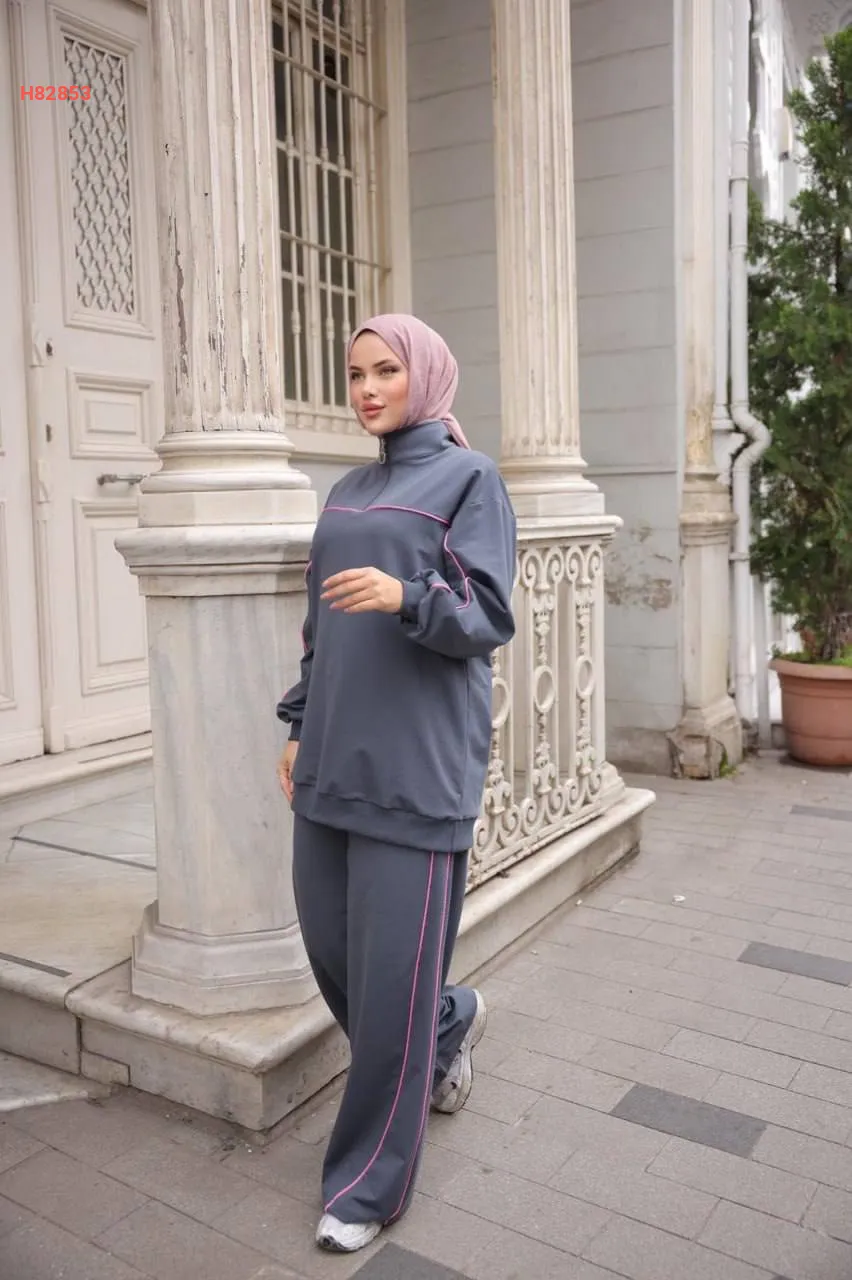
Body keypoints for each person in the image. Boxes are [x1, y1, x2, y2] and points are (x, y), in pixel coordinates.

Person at [276, 313, 517, 1254]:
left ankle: (366, 1186)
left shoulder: (470, 478)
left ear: (426, 376)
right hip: (333, 754)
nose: (368, 389)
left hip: (418, 765)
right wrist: (299, 722)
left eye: (386, 371)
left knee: (388, 986)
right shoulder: (345, 490)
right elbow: (318, 624)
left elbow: (487, 614)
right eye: (355, 374)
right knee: (335, 953)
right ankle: (447, 1021)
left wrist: (405, 594)